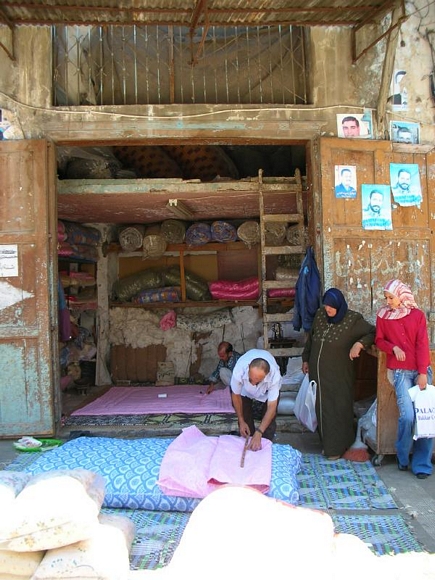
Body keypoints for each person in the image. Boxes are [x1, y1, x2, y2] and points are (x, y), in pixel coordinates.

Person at [302, 288, 375, 460]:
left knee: (338, 409)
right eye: (326, 305)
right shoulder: (320, 315)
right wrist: (306, 359)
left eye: (331, 307)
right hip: (318, 376)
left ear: (339, 306)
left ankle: (336, 448)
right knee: (321, 409)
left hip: (338, 375)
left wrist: (359, 344)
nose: (328, 309)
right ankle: (328, 445)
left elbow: (372, 331)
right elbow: (311, 339)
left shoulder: (353, 320)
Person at [375, 279, 433, 479]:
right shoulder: (383, 316)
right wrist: (393, 347)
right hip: (400, 372)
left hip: (420, 370)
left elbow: (422, 343)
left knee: (423, 416)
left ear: (402, 295)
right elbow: (379, 340)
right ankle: (402, 456)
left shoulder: (417, 316)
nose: (388, 301)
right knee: (407, 415)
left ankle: (422, 465)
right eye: (387, 298)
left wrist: (423, 373)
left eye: (391, 297)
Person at [230, 348, 282, 451]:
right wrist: (241, 420)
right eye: (251, 379)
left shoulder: (274, 376)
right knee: (245, 419)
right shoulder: (240, 369)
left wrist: (260, 432)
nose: (253, 383)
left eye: (257, 380)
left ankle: (265, 446)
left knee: (268, 423)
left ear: (266, 375)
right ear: (248, 367)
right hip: (244, 390)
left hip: (265, 392)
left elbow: (271, 407)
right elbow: (235, 395)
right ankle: (248, 441)